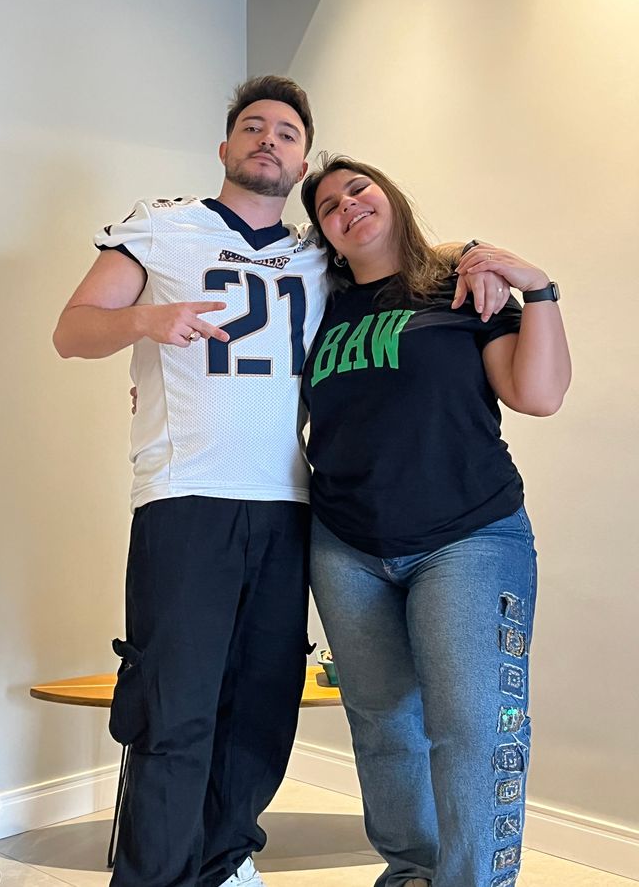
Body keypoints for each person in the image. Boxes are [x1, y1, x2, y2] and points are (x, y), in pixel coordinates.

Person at [52, 77, 505, 887]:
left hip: (293, 507)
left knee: (262, 708)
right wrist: (147, 320)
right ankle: (154, 875)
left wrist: (482, 263)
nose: (270, 139)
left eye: (288, 133)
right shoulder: (161, 225)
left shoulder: (316, 254)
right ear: (225, 147)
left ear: (300, 165)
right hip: (186, 498)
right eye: (254, 126)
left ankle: (221, 862)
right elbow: (72, 330)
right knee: (176, 706)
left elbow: (398, 266)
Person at [299, 154, 571, 887]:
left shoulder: (458, 287)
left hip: (469, 535)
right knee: (382, 723)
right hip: (346, 543)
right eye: (328, 206)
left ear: (389, 196)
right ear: (325, 235)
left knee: (474, 724)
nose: (347, 205)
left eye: (358, 189)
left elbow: (538, 394)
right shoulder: (318, 309)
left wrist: (538, 289)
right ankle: (412, 872)